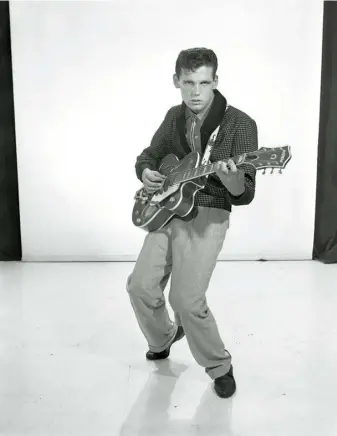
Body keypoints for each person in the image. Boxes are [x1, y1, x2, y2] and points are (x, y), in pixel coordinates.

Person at [126, 47, 258, 398]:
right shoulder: (174, 117)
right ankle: (165, 337)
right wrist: (148, 172)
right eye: (188, 82)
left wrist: (232, 179)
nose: (196, 92)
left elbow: (244, 192)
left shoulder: (240, 125)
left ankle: (219, 365)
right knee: (140, 286)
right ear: (177, 82)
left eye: (204, 82)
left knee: (186, 300)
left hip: (209, 213)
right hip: (168, 209)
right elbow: (149, 155)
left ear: (215, 81)